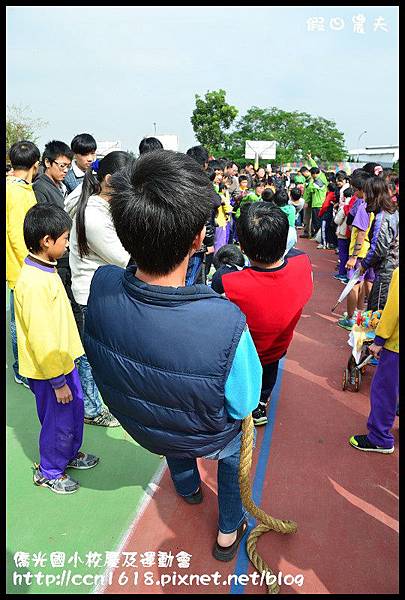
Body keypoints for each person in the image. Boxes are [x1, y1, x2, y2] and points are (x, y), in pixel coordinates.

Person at [83, 150, 263, 560]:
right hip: (205, 433)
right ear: (199, 239)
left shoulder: (103, 284)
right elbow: (245, 402)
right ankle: (227, 530)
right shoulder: (224, 321)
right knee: (234, 453)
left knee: (168, 413)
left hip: (145, 424)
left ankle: (187, 487)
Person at [14, 204, 100, 494]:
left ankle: (69, 454)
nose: (67, 244)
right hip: (51, 370)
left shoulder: (45, 269)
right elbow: (41, 337)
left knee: (74, 412)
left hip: (64, 362)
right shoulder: (34, 283)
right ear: (46, 241)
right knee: (57, 421)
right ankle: (50, 470)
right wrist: (57, 381)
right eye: (64, 239)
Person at [211, 203, 313, 426]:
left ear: (243, 248)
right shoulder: (303, 263)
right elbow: (293, 255)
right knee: (269, 372)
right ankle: (261, 404)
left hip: (242, 352)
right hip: (277, 347)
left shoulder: (227, 280)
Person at [69, 152, 134, 427]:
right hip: (90, 295)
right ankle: (92, 409)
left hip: (103, 290)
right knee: (88, 356)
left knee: (100, 352)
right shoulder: (93, 215)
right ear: (109, 180)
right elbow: (125, 258)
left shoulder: (102, 205)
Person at [33, 140, 83, 334]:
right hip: (55, 254)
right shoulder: (41, 188)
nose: (64, 171)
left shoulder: (62, 186)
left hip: (65, 251)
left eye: (68, 167)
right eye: (61, 166)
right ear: (47, 163)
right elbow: (44, 223)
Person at [349, 267, 398, 453]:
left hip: (396, 346)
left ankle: (380, 437)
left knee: (384, 390)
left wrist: (379, 339)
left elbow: (393, 310)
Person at [6, 141, 41, 388]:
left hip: (17, 267)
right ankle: (22, 370)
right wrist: (31, 264)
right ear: (36, 165)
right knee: (20, 323)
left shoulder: (15, 188)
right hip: (21, 269)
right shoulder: (17, 193)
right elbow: (17, 235)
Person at [337, 169, 374, 330]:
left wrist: (353, 256)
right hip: (371, 251)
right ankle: (360, 314)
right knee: (366, 282)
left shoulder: (363, 207)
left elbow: (360, 233)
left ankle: (351, 318)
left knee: (353, 284)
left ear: (360, 189)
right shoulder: (376, 205)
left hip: (360, 252)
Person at [359, 177, 399, 312]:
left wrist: (364, 264)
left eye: (365, 193)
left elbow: (379, 248)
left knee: (377, 311)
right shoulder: (392, 211)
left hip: (386, 270)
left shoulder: (383, 216)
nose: (363, 197)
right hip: (390, 268)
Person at [333, 186, 353, 282]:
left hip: (342, 233)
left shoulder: (344, 207)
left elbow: (337, 221)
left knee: (342, 255)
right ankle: (348, 274)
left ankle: (342, 273)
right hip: (350, 233)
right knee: (348, 254)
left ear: (344, 197)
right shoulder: (355, 205)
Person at [318, 182, 337, 250]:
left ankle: (324, 243)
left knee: (324, 229)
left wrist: (320, 214)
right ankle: (330, 243)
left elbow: (325, 206)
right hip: (332, 214)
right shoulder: (335, 194)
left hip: (326, 214)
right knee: (330, 229)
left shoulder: (329, 195)